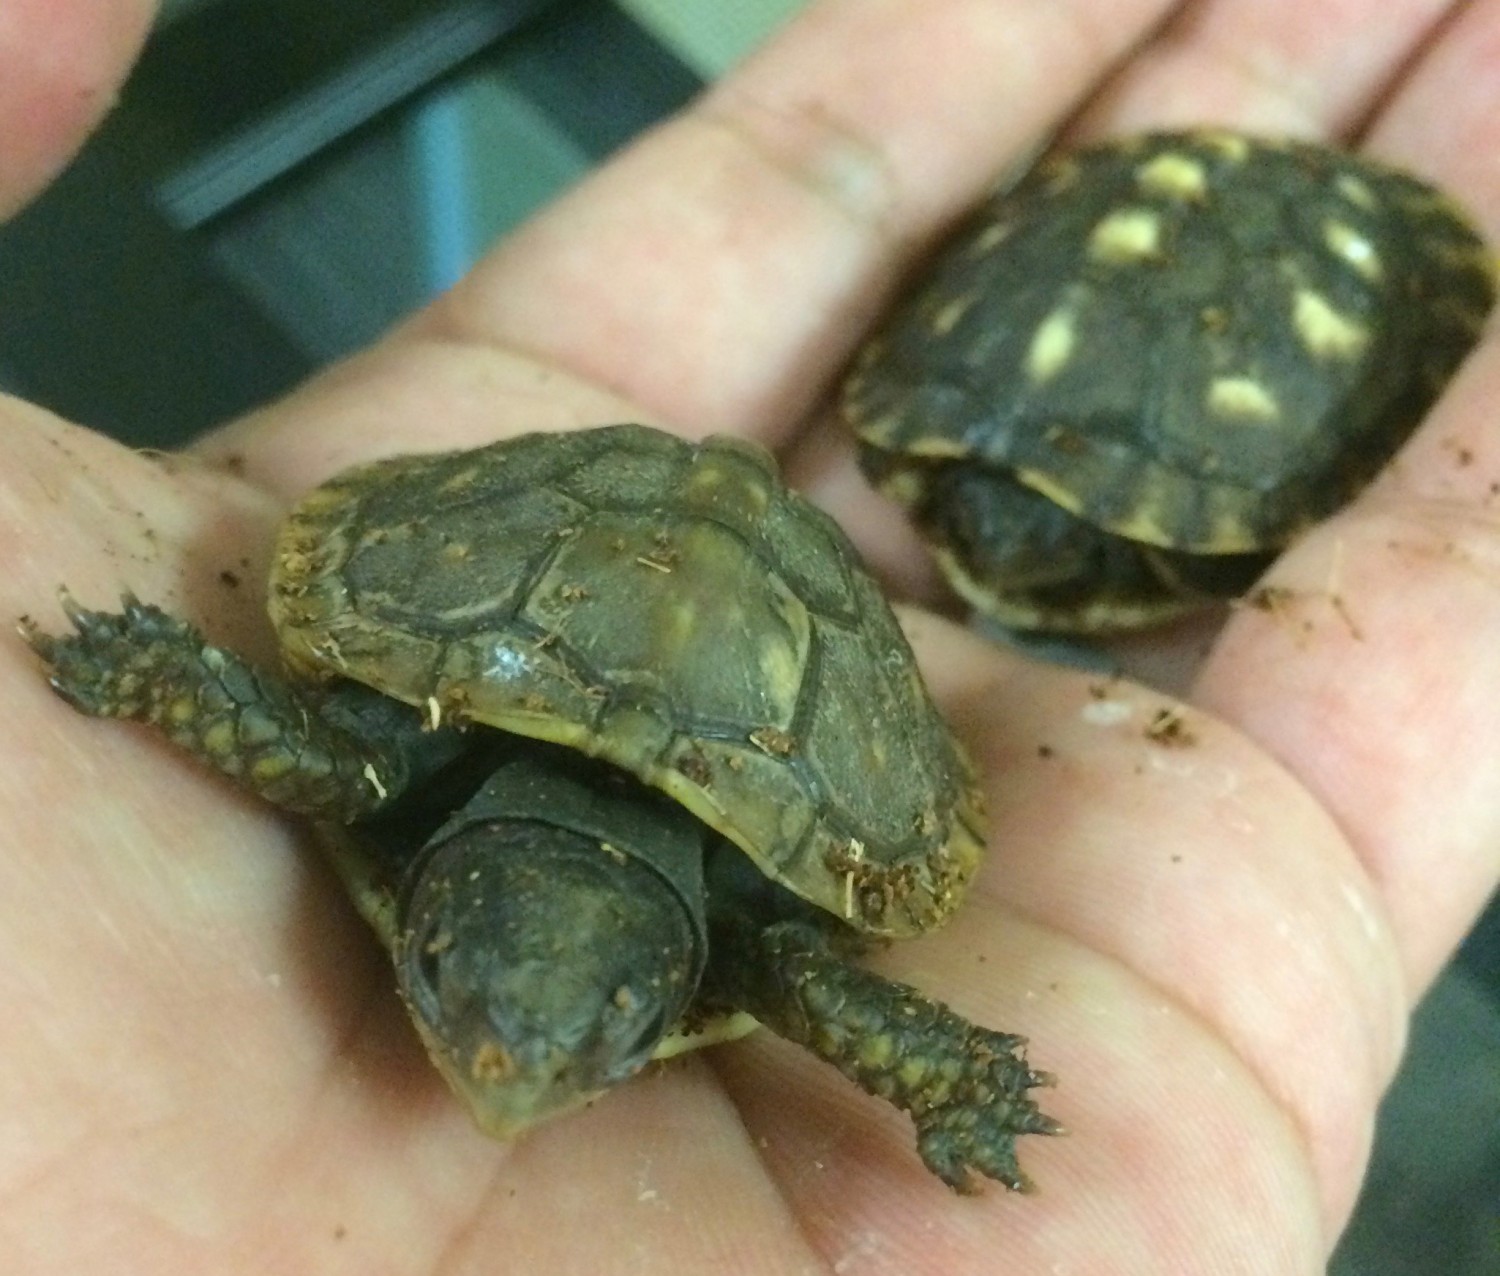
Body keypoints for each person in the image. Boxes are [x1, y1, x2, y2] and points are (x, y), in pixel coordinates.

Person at [3, 2, 1496, 1271]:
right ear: (434, 919)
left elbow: (252, 714)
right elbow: (854, 1012)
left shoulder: (401, 788)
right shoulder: (719, 933)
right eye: (464, 990)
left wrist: (146, 669)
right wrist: (953, 1087)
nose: (518, 1075)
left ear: (670, 983)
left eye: (590, 1037)